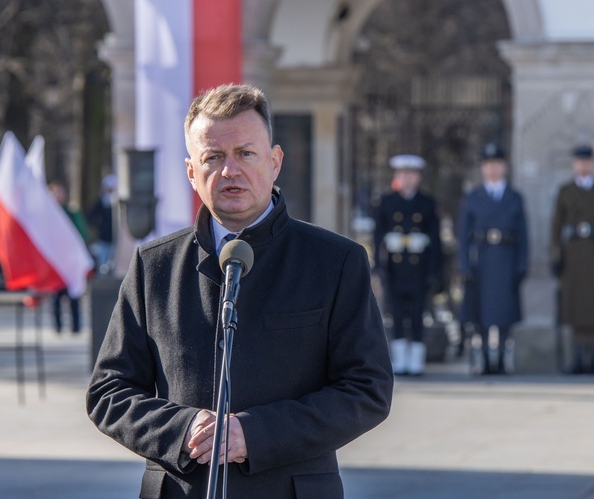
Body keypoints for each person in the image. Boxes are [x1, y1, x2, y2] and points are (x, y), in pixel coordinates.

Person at [86, 84, 393, 498]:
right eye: (213, 157)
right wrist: (182, 430)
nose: (230, 170)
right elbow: (109, 391)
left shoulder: (336, 262)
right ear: (192, 172)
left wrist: (254, 433)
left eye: (245, 153)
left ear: (274, 161)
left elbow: (366, 389)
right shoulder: (153, 266)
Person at [457, 143, 528, 374]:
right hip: (482, 260)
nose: (493, 168)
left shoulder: (514, 197)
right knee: (481, 313)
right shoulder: (474, 197)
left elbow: (524, 235)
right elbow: (463, 235)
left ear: (504, 167)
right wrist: (464, 264)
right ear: (482, 168)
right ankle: (486, 358)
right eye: (488, 164)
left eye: (497, 164)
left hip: (506, 258)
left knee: (505, 313)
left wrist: (522, 264)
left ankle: (503, 359)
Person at [550, 144, 594, 374]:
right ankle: (577, 357)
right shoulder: (565, 191)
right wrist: (555, 256)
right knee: (575, 309)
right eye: (579, 161)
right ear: (573, 164)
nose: (583, 165)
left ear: (593, 163)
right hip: (573, 255)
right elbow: (556, 226)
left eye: (587, 161)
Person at [373, 154, 442, 376]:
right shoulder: (387, 201)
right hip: (395, 267)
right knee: (397, 313)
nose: (407, 178)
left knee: (417, 314)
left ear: (418, 178)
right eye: (402, 174)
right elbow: (378, 236)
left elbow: (435, 239)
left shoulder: (427, 203)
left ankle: (416, 361)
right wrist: (379, 263)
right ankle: (400, 359)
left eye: (411, 174)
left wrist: (433, 269)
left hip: (418, 267)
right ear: (396, 177)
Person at [49, 180, 89, 333]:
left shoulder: (72, 213)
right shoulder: (46, 215)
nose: (58, 195)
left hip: (70, 262)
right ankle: (57, 327)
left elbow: (82, 234)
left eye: (60, 192)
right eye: (54, 192)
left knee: (74, 294)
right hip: (55, 263)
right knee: (56, 297)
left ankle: (76, 327)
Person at [87, 173, 116, 275]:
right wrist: (100, 225)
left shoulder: (117, 204)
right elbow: (91, 217)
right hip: (103, 239)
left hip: (116, 240)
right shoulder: (100, 202)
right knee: (102, 266)